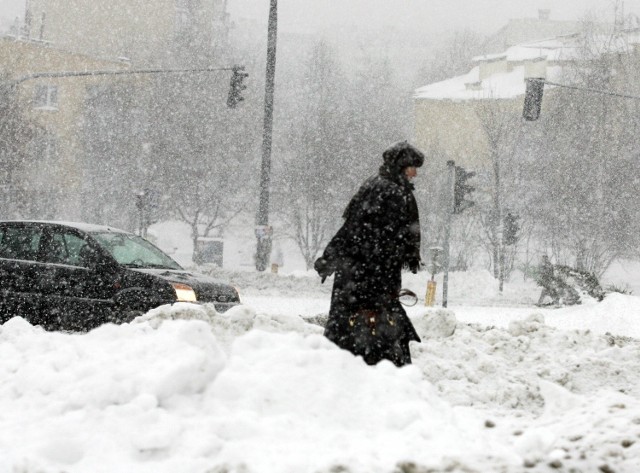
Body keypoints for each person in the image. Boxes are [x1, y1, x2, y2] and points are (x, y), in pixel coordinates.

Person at [314, 141, 425, 367]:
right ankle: (380, 373)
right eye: (412, 167)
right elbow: (378, 237)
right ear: (401, 166)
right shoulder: (392, 191)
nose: (415, 173)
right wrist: (385, 271)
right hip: (370, 277)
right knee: (375, 332)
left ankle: (357, 369)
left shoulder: (376, 185)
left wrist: (331, 256)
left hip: (358, 275)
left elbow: (352, 228)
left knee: (353, 332)